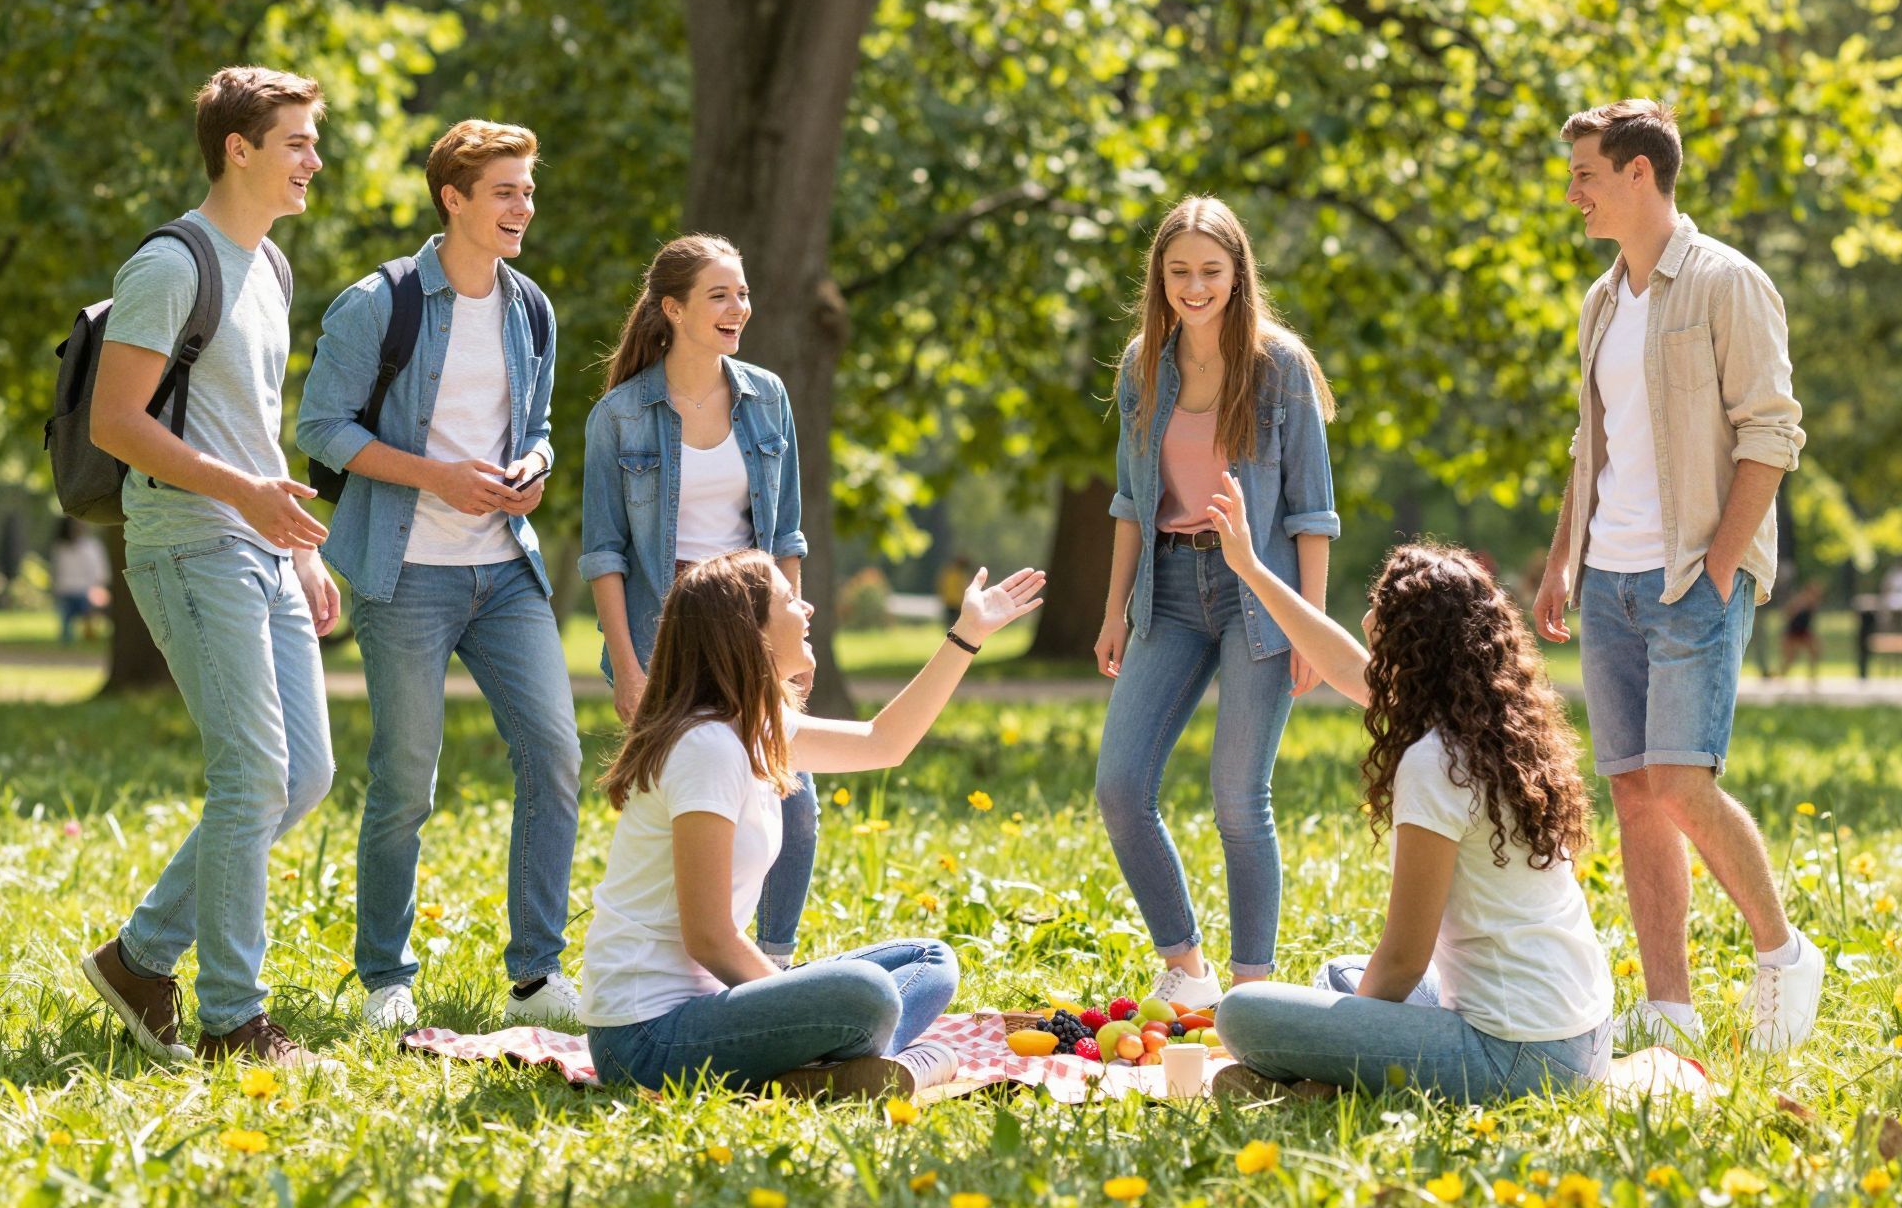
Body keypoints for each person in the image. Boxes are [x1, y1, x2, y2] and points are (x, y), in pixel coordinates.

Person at [1531, 99, 1819, 1052]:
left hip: (1689, 577)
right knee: (1633, 790)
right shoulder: (1603, 301)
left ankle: (1782, 955)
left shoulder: (1728, 285)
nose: (1573, 191)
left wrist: (1720, 566)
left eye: (1586, 174)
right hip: (1607, 581)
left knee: (1682, 781)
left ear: (1639, 174)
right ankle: (1671, 1007)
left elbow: (1772, 432)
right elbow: (1593, 441)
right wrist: (1564, 555)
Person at [80, 66, 339, 1069]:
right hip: (187, 544)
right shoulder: (172, 264)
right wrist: (244, 500)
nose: (313, 160)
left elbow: (254, 429)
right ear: (240, 147)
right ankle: (237, 1021)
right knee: (252, 779)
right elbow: (117, 422)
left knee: (302, 774)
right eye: (298, 142)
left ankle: (141, 958)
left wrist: (296, 546)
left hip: (257, 544)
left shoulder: (269, 267)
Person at [296, 119, 579, 1031]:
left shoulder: (531, 308)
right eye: (505, 191)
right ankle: (386, 977)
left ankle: (537, 975)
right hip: (405, 572)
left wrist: (532, 468)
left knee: (557, 756)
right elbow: (323, 429)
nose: (522, 207)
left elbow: (534, 424)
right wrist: (438, 477)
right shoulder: (378, 303)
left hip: (504, 574)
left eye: (528, 191)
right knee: (408, 778)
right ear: (453, 199)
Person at [1202, 480, 1614, 1102]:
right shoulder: (1492, 726)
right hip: (1584, 1033)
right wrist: (1251, 568)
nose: (1367, 619)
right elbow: (1342, 665)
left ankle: (1324, 1090)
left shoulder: (1435, 762)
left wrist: (1343, 1035)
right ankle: (1327, 1081)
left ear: (1411, 647)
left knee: (1243, 1013)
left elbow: (1402, 963)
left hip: (1522, 1059)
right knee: (1337, 974)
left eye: (1379, 614)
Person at [581, 550, 1045, 1092]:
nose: (807, 607)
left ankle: (828, 1067)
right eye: (786, 599)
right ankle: (847, 1063)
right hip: (645, 1040)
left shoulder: (753, 726)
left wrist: (968, 633)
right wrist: (793, 1004)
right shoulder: (705, 747)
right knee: (865, 994)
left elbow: (884, 742)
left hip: (707, 1009)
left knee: (930, 960)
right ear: (748, 632)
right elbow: (708, 938)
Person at [1093, 196, 1339, 1010]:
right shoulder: (1143, 366)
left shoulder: (1281, 367)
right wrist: (1113, 611)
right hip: (1169, 590)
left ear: (1238, 274)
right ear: (1159, 279)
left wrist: (1311, 624)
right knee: (1121, 788)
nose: (1194, 287)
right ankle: (1187, 967)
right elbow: (1132, 501)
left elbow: (1311, 511)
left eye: (1210, 271)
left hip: (1256, 596)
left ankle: (1254, 993)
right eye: (1178, 272)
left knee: (1239, 798)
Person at [580, 235, 821, 968]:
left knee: (793, 800)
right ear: (672, 309)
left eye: (742, 293)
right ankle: (683, 960)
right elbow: (605, 553)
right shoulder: (619, 416)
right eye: (720, 295)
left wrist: (792, 640)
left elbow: (786, 535)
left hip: (751, 622)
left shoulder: (766, 396)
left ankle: (770, 965)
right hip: (668, 629)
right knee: (686, 798)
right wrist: (626, 665)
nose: (738, 308)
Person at [50, 518, 112, 642]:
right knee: (66, 618)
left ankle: (88, 630)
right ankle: (67, 638)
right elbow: (57, 572)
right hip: (66, 590)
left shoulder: (92, 546)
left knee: (90, 607)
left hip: (86, 591)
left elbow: (100, 572)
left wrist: (98, 588)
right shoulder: (60, 548)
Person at [1778, 581, 1824, 681]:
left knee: (1814, 652)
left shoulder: (1813, 603)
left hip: (1804, 631)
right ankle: (1782, 676)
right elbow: (1787, 612)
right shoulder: (1800, 600)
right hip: (1793, 631)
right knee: (1791, 657)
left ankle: (1812, 676)